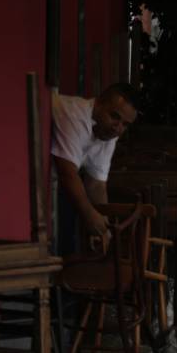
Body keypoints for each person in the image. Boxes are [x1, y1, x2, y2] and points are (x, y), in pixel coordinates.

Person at [51, 83, 138, 240]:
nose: (118, 128)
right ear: (98, 103)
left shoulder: (108, 132)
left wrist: (104, 228)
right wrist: (91, 216)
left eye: (125, 124)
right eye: (115, 116)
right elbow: (67, 172)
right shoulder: (75, 114)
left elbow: (96, 184)